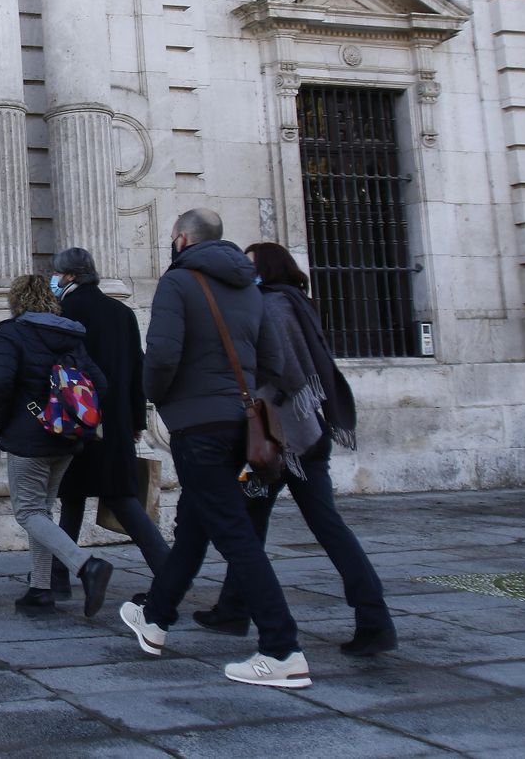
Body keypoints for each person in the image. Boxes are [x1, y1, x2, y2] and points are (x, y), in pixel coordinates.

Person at [118, 209, 311, 689]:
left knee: (234, 536)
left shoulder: (178, 284)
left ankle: (282, 649)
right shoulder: (250, 287)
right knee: (194, 528)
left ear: (181, 239)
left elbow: (161, 355)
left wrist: (158, 396)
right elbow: (276, 363)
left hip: (197, 425)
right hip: (238, 423)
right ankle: (156, 619)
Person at [194, 242, 397, 656]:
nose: (245, 274)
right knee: (256, 523)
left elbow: (286, 370)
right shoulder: (292, 302)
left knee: (321, 528)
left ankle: (374, 619)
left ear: (267, 269)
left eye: (251, 267)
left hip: (287, 436)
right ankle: (233, 608)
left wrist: (250, 373)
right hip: (299, 432)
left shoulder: (274, 307)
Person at [0, 274, 114, 618]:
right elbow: (100, 383)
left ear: (17, 301)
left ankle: (86, 565)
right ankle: (40, 589)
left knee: (27, 512)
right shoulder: (70, 336)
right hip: (67, 438)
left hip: (29, 437)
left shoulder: (10, 333)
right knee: (41, 511)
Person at [47, 249, 169, 596]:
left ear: (69, 277)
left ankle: (58, 579)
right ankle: (59, 574)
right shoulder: (122, 313)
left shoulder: (63, 313)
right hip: (114, 421)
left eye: (57, 275)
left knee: (74, 498)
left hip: (75, 420)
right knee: (118, 496)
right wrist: (136, 420)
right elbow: (136, 370)